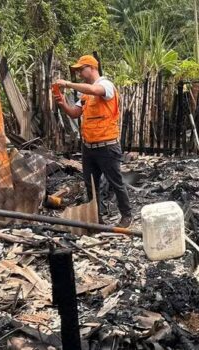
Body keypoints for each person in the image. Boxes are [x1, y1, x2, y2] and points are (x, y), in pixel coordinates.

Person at [54, 55, 132, 228]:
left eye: (82, 69)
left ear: (92, 68)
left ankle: (126, 215)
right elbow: (75, 113)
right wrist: (63, 103)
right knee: (91, 186)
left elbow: (95, 91)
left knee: (116, 182)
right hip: (89, 147)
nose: (80, 73)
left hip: (107, 145)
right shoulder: (85, 95)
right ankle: (97, 218)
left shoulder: (106, 85)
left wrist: (68, 84)